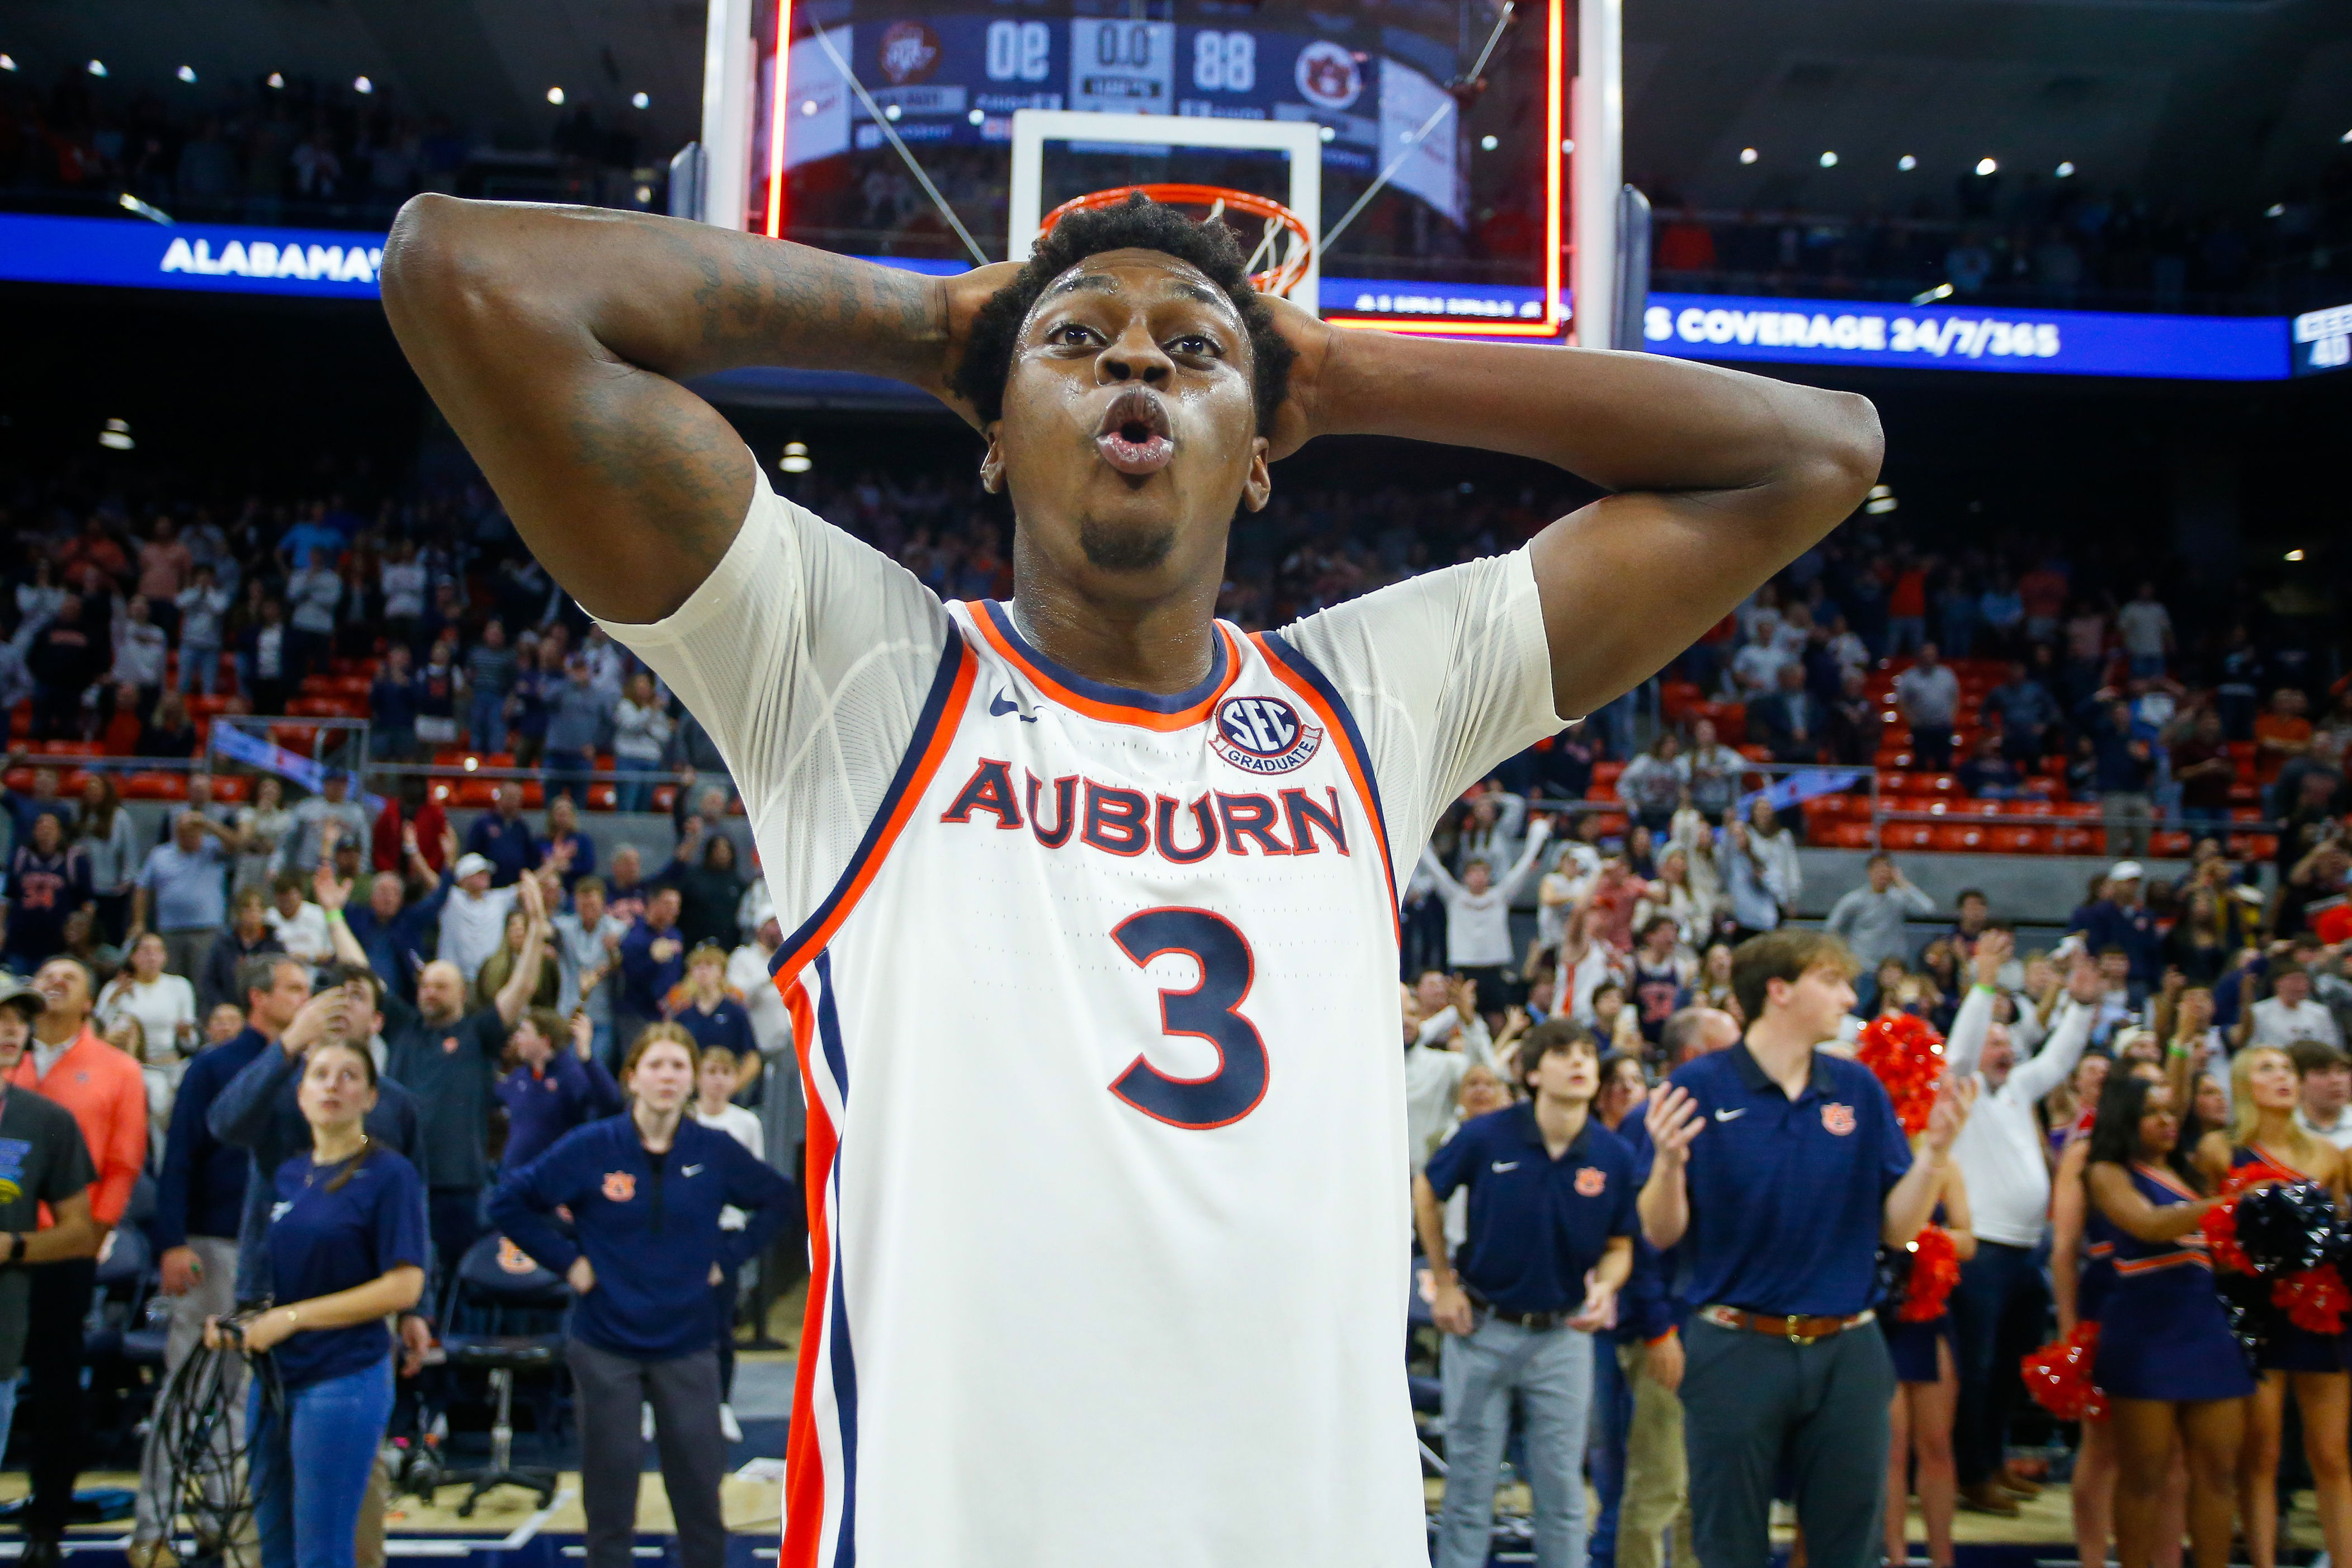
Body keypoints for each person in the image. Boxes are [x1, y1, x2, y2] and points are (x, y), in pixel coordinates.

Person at [385, 182, 1880, 1564]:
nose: (1136, 370)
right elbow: (465, 274)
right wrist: (933, 325)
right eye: (1077, 341)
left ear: (1260, 453)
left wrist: (1343, 375)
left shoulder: (1364, 700)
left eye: (1193, 351)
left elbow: (1813, 453)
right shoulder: (854, 672)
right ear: (989, 426)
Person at [1637, 931, 1973, 1568]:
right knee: (1728, 1544)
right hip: (1735, 1344)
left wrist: (1933, 1156)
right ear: (1780, 989)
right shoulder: (1700, 1085)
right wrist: (1668, 1165)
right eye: (1833, 980)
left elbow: (1896, 1231)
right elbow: (1660, 1232)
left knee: (1850, 1548)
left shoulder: (1859, 1088)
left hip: (1849, 1345)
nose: (1850, 995)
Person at [489, 1026, 792, 1568]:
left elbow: (780, 1200)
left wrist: (726, 1259)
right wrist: (568, 1262)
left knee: (700, 1496)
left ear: (693, 1078)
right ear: (632, 1076)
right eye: (656, 1064)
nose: (668, 1076)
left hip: (689, 1341)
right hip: (606, 1342)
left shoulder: (714, 1150)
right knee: (610, 1500)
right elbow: (508, 1201)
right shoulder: (592, 1147)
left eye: (680, 1065)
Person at [1414, 1020, 1635, 1568]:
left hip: (1563, 1333)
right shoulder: (1488, 1134)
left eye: (1588, 1052)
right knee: (1470, 1488)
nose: (1580, 1062)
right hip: (1482, 1326)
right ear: (1533, 1071)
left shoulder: (1613, 1152)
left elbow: (1621, 1244)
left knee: (1561, 1492)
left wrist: (1606, 1285)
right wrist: (1443, 1280)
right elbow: (1426, 1190)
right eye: (1563, 1053)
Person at [204, 1031, 428, 1568]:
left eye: (350, 1076)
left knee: (323, 1552)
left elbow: (404, 1287)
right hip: (276, 1376)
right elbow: (273, 1277)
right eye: (321, 1074)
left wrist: (293, 1318)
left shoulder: (390, 1174)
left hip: (345, 1375)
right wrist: (241, 1323)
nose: (334, 1086)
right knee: (272, 1550)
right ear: (301, 1094)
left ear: (371, 1098)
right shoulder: (285, 1174)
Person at [134, 953, 305, 1566]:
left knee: (243, 1397)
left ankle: (220, 1520)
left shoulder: (305, 1067)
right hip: (214, 1240)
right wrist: (171, 1241)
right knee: (188, 1385)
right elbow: (176, 1156)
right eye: (293, 988)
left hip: (278, 1249)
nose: (304, 997)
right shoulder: (215, 1066)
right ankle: (152, 1529)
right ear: (259, 997)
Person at [1940, 933, 2100, 1515]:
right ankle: (1970, 1472)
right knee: (1977, 1368)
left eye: (2009, 1038)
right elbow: (1957, 1053)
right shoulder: (1963, 1087)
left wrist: (2082, 1006)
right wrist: (1983, 984)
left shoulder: (2019, 1089)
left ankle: (1994, 1460)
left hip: (2026, 1250)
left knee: (2011, 1366)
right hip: (1980, 1249)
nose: (2003, 1046)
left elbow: (2059, 1058)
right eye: (1993, 1038)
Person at [2188, 1045, 2352, 1568]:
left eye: (2287, 1070)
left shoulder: (2330, 1155)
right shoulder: (2219, 1150)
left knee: (2331, 1453)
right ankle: (2263, 1561)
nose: (2282, 1077)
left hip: (2316, 1305)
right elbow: (2205, 1234)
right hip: (2253, 1306)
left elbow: (2340, 1233)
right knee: (2261, 1454)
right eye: (2267, 1069)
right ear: (2244, 1086)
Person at [9, 957, 149, 1566]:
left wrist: (91, 1235)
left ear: (93, 998)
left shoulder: (117, 1067)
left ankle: (48, 1516)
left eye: (70, 975)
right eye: (47, 974)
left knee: (56, 1382)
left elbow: (123, 1162)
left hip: (60, 1246)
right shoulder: (12, 1056)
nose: (55, 980)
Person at [2084, 1071, 2248, 1568]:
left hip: (2206, 1326)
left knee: (2220, 1472)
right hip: (2145, 1330)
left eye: (2172, 1113)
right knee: (2144, 1476)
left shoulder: (2192, 1173)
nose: (2167, 1122)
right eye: (2153, 1113)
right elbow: (2149, 1225)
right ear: (2126, 1120)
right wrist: (2229, 1205)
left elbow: (2215, 1255)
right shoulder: (2107, 1171)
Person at [0, 981, 102, 1469]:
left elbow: (80, 1232)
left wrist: (13, 1246)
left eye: (19, 1018)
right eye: (0, 1017)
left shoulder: (46, 1121)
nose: (12, 1029)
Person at [1882, 1146, 1973, 1568]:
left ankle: (1944, 1558)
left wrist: (1919, 1239)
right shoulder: (1871, 1156)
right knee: (1892, 1449)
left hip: (1930, 1314)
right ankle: (1895, 1557)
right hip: (1881, 1314)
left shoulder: (1944, 1166)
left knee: (1937, 1445)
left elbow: (1968, 1240)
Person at [691, 1040, 766, 1440]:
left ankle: (720, 1404)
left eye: (725, 1074)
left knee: (721, 1323)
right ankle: (654, 1404)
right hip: (685, 1232)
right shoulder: (685, 1119)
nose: (718, 1082)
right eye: (711, 1073)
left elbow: (757, 1181)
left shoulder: (746, 1124)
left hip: (726, 1232)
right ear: (698, 1078)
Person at [1421, 818, 1555, 1003]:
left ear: (1489, 877)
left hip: (1494, 967)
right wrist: (1419, 837)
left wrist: (1538, 837)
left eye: (1483, 873)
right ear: (1465, 877)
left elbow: (1523, 868)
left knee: (1498, 1016)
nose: (1478, 878)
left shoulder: (1500, 896)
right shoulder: (1455, 896)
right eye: (1474, 874)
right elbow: (1434, 868)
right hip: (1464, 966)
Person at [495, 1008, 622, 1173]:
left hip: (556, 1177)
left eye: (524, 1032)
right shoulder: (519, 1077)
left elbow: (612, 1103)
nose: (517, 1038)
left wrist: (587, 1057)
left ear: (545, 1040)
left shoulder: (571, 1075)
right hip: (515, 1177)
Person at [133, 808, 240, 980]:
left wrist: (208, 823)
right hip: (170, 931)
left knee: (204, 983)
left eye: (193, 832)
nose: (189, 837)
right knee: (170, 981)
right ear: (176, 833)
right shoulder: (160, 855)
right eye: (184, 832)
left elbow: (238, 845)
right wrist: (139, 921)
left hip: (207, 930)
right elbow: (142, 889)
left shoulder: (213, 849)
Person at [6, 813, 93, 975]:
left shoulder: (74, 860)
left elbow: (87, 903)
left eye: (50, 827)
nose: (45, 831)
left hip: (57, 944)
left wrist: (82, 936)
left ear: (60, 832)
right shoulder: (20, 857)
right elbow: (7, 898)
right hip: (20, 941)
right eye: (41, 826)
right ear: (34, 831)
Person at [1822, 853, 1937, 970]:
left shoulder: (1899, 898)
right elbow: (1831, 927)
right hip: (1863, 965)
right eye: (1878, 869)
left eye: (1886, 869)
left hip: (1892, 966)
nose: (1882, 874)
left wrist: (1903, 883)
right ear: (1869, 872)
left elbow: (1928, 909)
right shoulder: (1855, 899)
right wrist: (1844, 951)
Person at [97, 931, 200, 1061]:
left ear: (165, 957)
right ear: (133, 957)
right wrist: (114, 998)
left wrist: (186, 1034)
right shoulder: (114, 988)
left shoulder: (180, 986)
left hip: (166, 1062)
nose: (152, 957)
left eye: (158, 951)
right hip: (125, 1060)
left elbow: (192, 1043)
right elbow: (98, 1030)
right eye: (146, 951)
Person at [200, 887, 287, 1015]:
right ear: (239, 914)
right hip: (229, 1011)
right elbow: (210, 982)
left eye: (256, 910)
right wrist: (221, 1006)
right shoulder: (223, 946)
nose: (252, 915)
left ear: (264, 912)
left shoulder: (274, 946)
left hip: (265, 1011)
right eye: (247, 910)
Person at [1895, 644, 1961, 771]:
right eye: (1926, 655)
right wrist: (1911, 719)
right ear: (1920, 656)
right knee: (1921, 765)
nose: (1928, 658)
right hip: (1921, 728)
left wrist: (1951, 716)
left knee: (1944, 764)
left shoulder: (1947, 674)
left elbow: (1955, 697)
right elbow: (1902, 701)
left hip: (1944, 727)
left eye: (1931, 655)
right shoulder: (1909, 676)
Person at [464, 782, 541, 886]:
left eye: (517, 799)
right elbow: (472, 854)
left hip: (516, 885)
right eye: (509, 797)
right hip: (489, 886)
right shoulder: (484, 823)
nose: (513, 802)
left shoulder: (522, 827)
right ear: (500, 797)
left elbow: (530, 855)